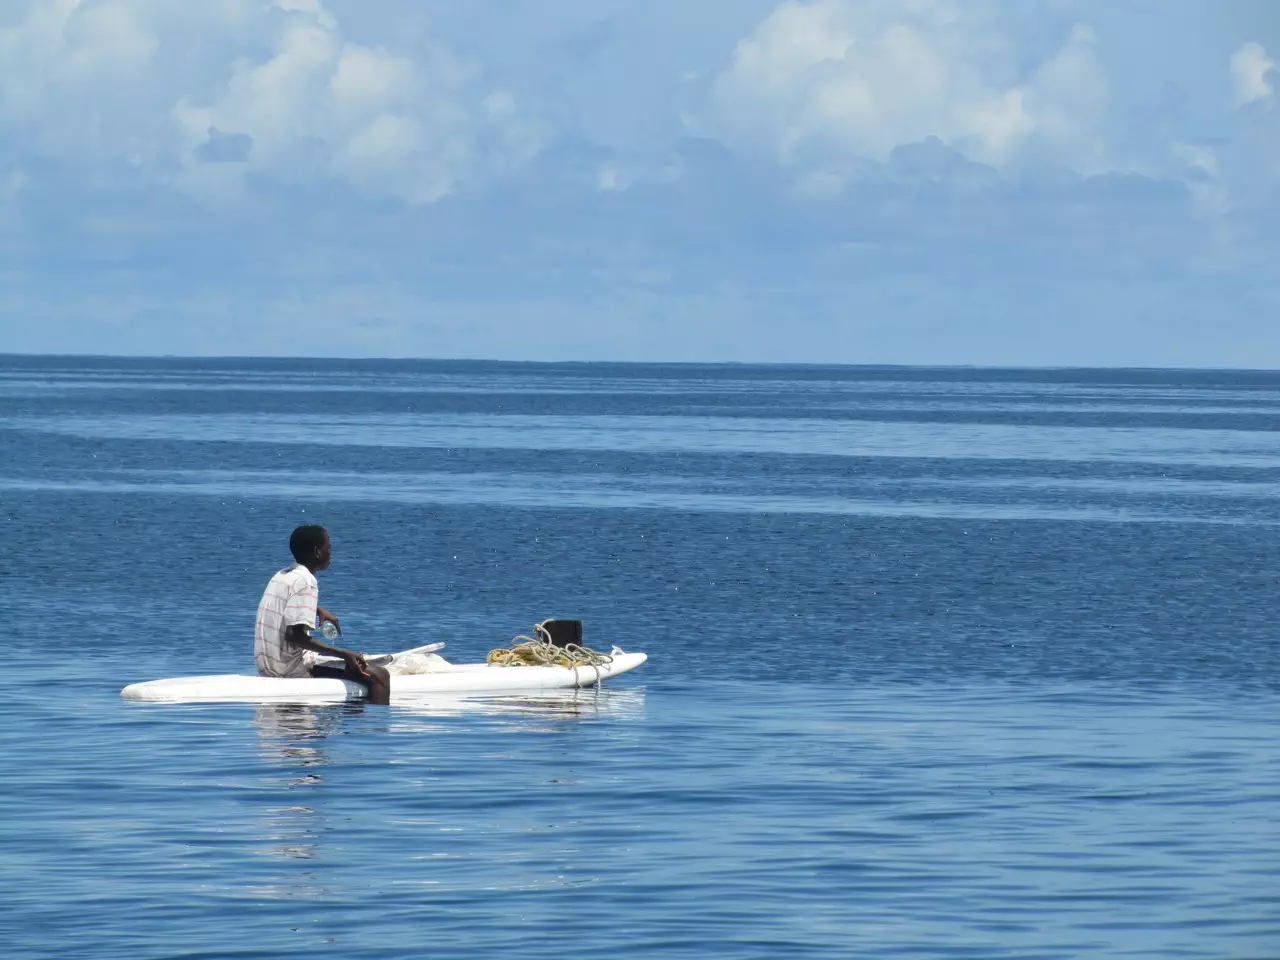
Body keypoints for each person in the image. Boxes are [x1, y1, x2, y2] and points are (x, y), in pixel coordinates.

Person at [254, 524, 391, 705]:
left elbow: (284, 609)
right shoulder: (307, 581)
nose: (331, 553)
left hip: (267, 664)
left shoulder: (282, 575)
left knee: (354, 670)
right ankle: (372, 730)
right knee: (380, 675)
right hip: (287, 668)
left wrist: (316, 609)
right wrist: (343, 654)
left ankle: (349, 716)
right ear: (317, 552)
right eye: (329, 548)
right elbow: (294, 637)